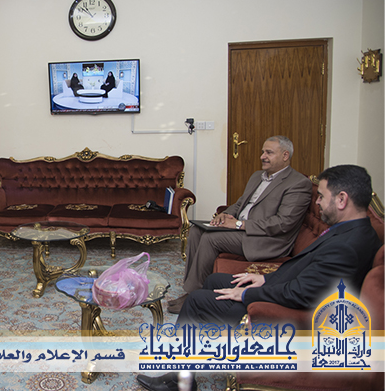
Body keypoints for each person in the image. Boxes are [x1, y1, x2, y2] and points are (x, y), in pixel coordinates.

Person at [140, 164, 381, 390]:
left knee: (196, 302)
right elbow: (309, 273)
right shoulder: (353, 232)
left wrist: (248, 294)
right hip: (286, 291)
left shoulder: (347, 246)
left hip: (288, 316)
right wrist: (264, 279)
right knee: (215, 280)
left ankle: (180, 380)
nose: (317, 203)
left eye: (321, 197)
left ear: (342, 199)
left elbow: (303, 294)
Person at [168, 135, 312, 314]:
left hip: (266, 239)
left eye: (269, 153)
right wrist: (225, 214)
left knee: (211, 239)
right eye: (262, 152)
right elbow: (241, 203)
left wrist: (238, 224)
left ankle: (194, 295)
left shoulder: (298, 183)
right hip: (241, 230)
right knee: (196, 230)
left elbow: (283, 223)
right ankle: (191, 289)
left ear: (285, 155)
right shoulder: (257, 176)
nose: (262, 156)